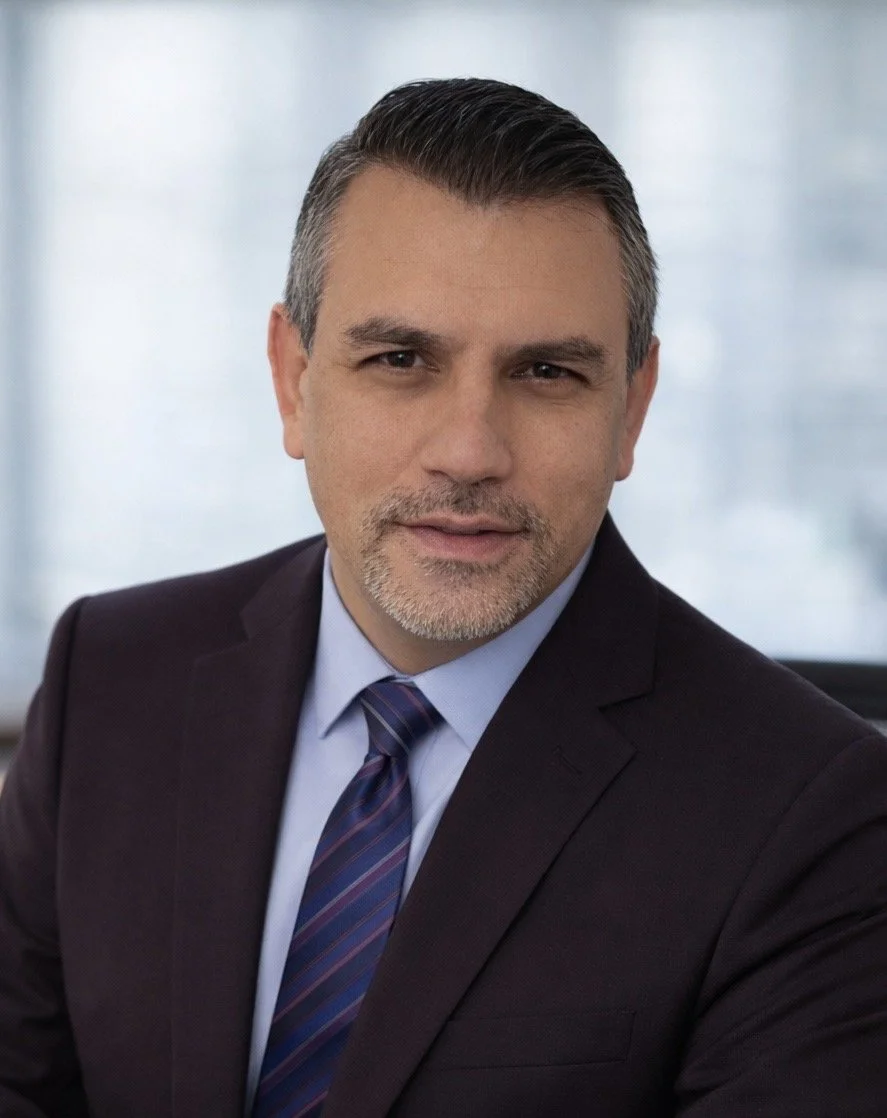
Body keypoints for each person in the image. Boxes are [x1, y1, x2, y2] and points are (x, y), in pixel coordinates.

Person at [1, 78, 885, 1118]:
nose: (469, 449)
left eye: (545, 371)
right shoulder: (112, 673)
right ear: (292, 380)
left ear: (630, 410)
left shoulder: (814, 812)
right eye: (399, 358)